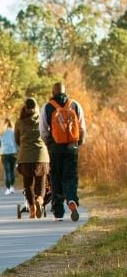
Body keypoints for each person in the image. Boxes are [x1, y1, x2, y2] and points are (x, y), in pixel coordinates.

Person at [39, 82, 86, 221]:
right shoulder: (75, 105)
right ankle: (72, 199)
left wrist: (49, 143)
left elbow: (43, 130)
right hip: (72, 147)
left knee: (56, 177)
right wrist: (79, 142)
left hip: (55, 148)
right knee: (71, 176)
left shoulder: (47, 107)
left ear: (53, 92)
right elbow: (82, 127)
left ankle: (58, 212)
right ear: (65, 91)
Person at [15, 98, 50, 218]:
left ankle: (32, 210)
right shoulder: (42, 119)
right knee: (41, 182)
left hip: (25, 157)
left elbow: (17, 140)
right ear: (36, 107)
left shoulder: (19, 122)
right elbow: (47, 134)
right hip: (41, 155)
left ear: (24, 108)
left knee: (28, 184)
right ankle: (39, 200)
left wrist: (25, 146)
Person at [0, 118, 18, 195]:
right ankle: (12, 186)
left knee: (7, 171)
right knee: (12, 170)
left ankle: (8, 188)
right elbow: (16, 143)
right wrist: (18, 151)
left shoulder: (1, 133)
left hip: (4, 153)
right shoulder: (13, 132)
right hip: (13, 153)